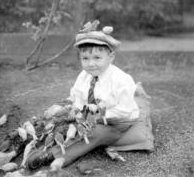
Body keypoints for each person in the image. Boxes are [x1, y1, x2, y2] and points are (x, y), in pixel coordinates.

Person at [26, 21, 140, 170]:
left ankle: (55, 155)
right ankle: (39, 141)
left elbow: (124, 111)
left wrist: (95, 117)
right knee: (63, 121)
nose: (91, 64)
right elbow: (77, 96)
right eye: (85, 59)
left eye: (97, 58)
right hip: (88, 114)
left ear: (111, 56)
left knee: (95, 133)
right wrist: (75, 108)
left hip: (116, 121)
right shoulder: (85, 75)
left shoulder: (121, 80)